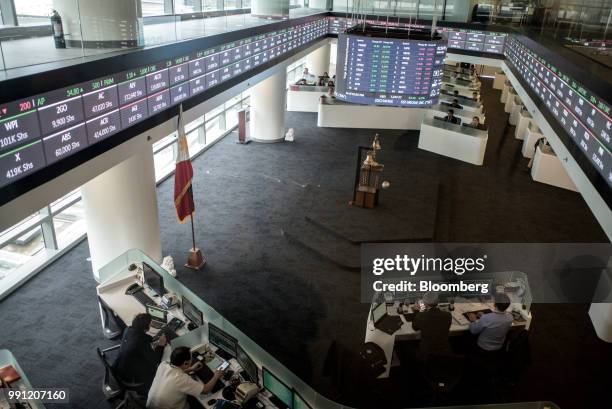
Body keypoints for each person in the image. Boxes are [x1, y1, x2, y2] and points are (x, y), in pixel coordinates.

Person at [147, 346, 224, 409]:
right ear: (185, 363)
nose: (191, 360)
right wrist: (216, 375)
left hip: (151, 405)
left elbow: (172, 373)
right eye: (191, 359)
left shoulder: (163, 364)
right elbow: (206, 390)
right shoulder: (181, 379)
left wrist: (190, 369)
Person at [113, 313, 166, 394]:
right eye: (149, 324)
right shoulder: (142, 341)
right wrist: (161, 345)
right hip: (131, 376)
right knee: (162, 368)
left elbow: (141, 337)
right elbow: (155, 360)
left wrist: (152, 339)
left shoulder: (128, 329)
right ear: (146, 328)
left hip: (118, 367)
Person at [412, 292, 452, 356]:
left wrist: (417, 312)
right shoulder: (448, 315)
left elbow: (415, 327)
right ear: (438, 301)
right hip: (444, 352)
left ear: (424, 303)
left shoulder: (421, 316)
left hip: (426, 354)